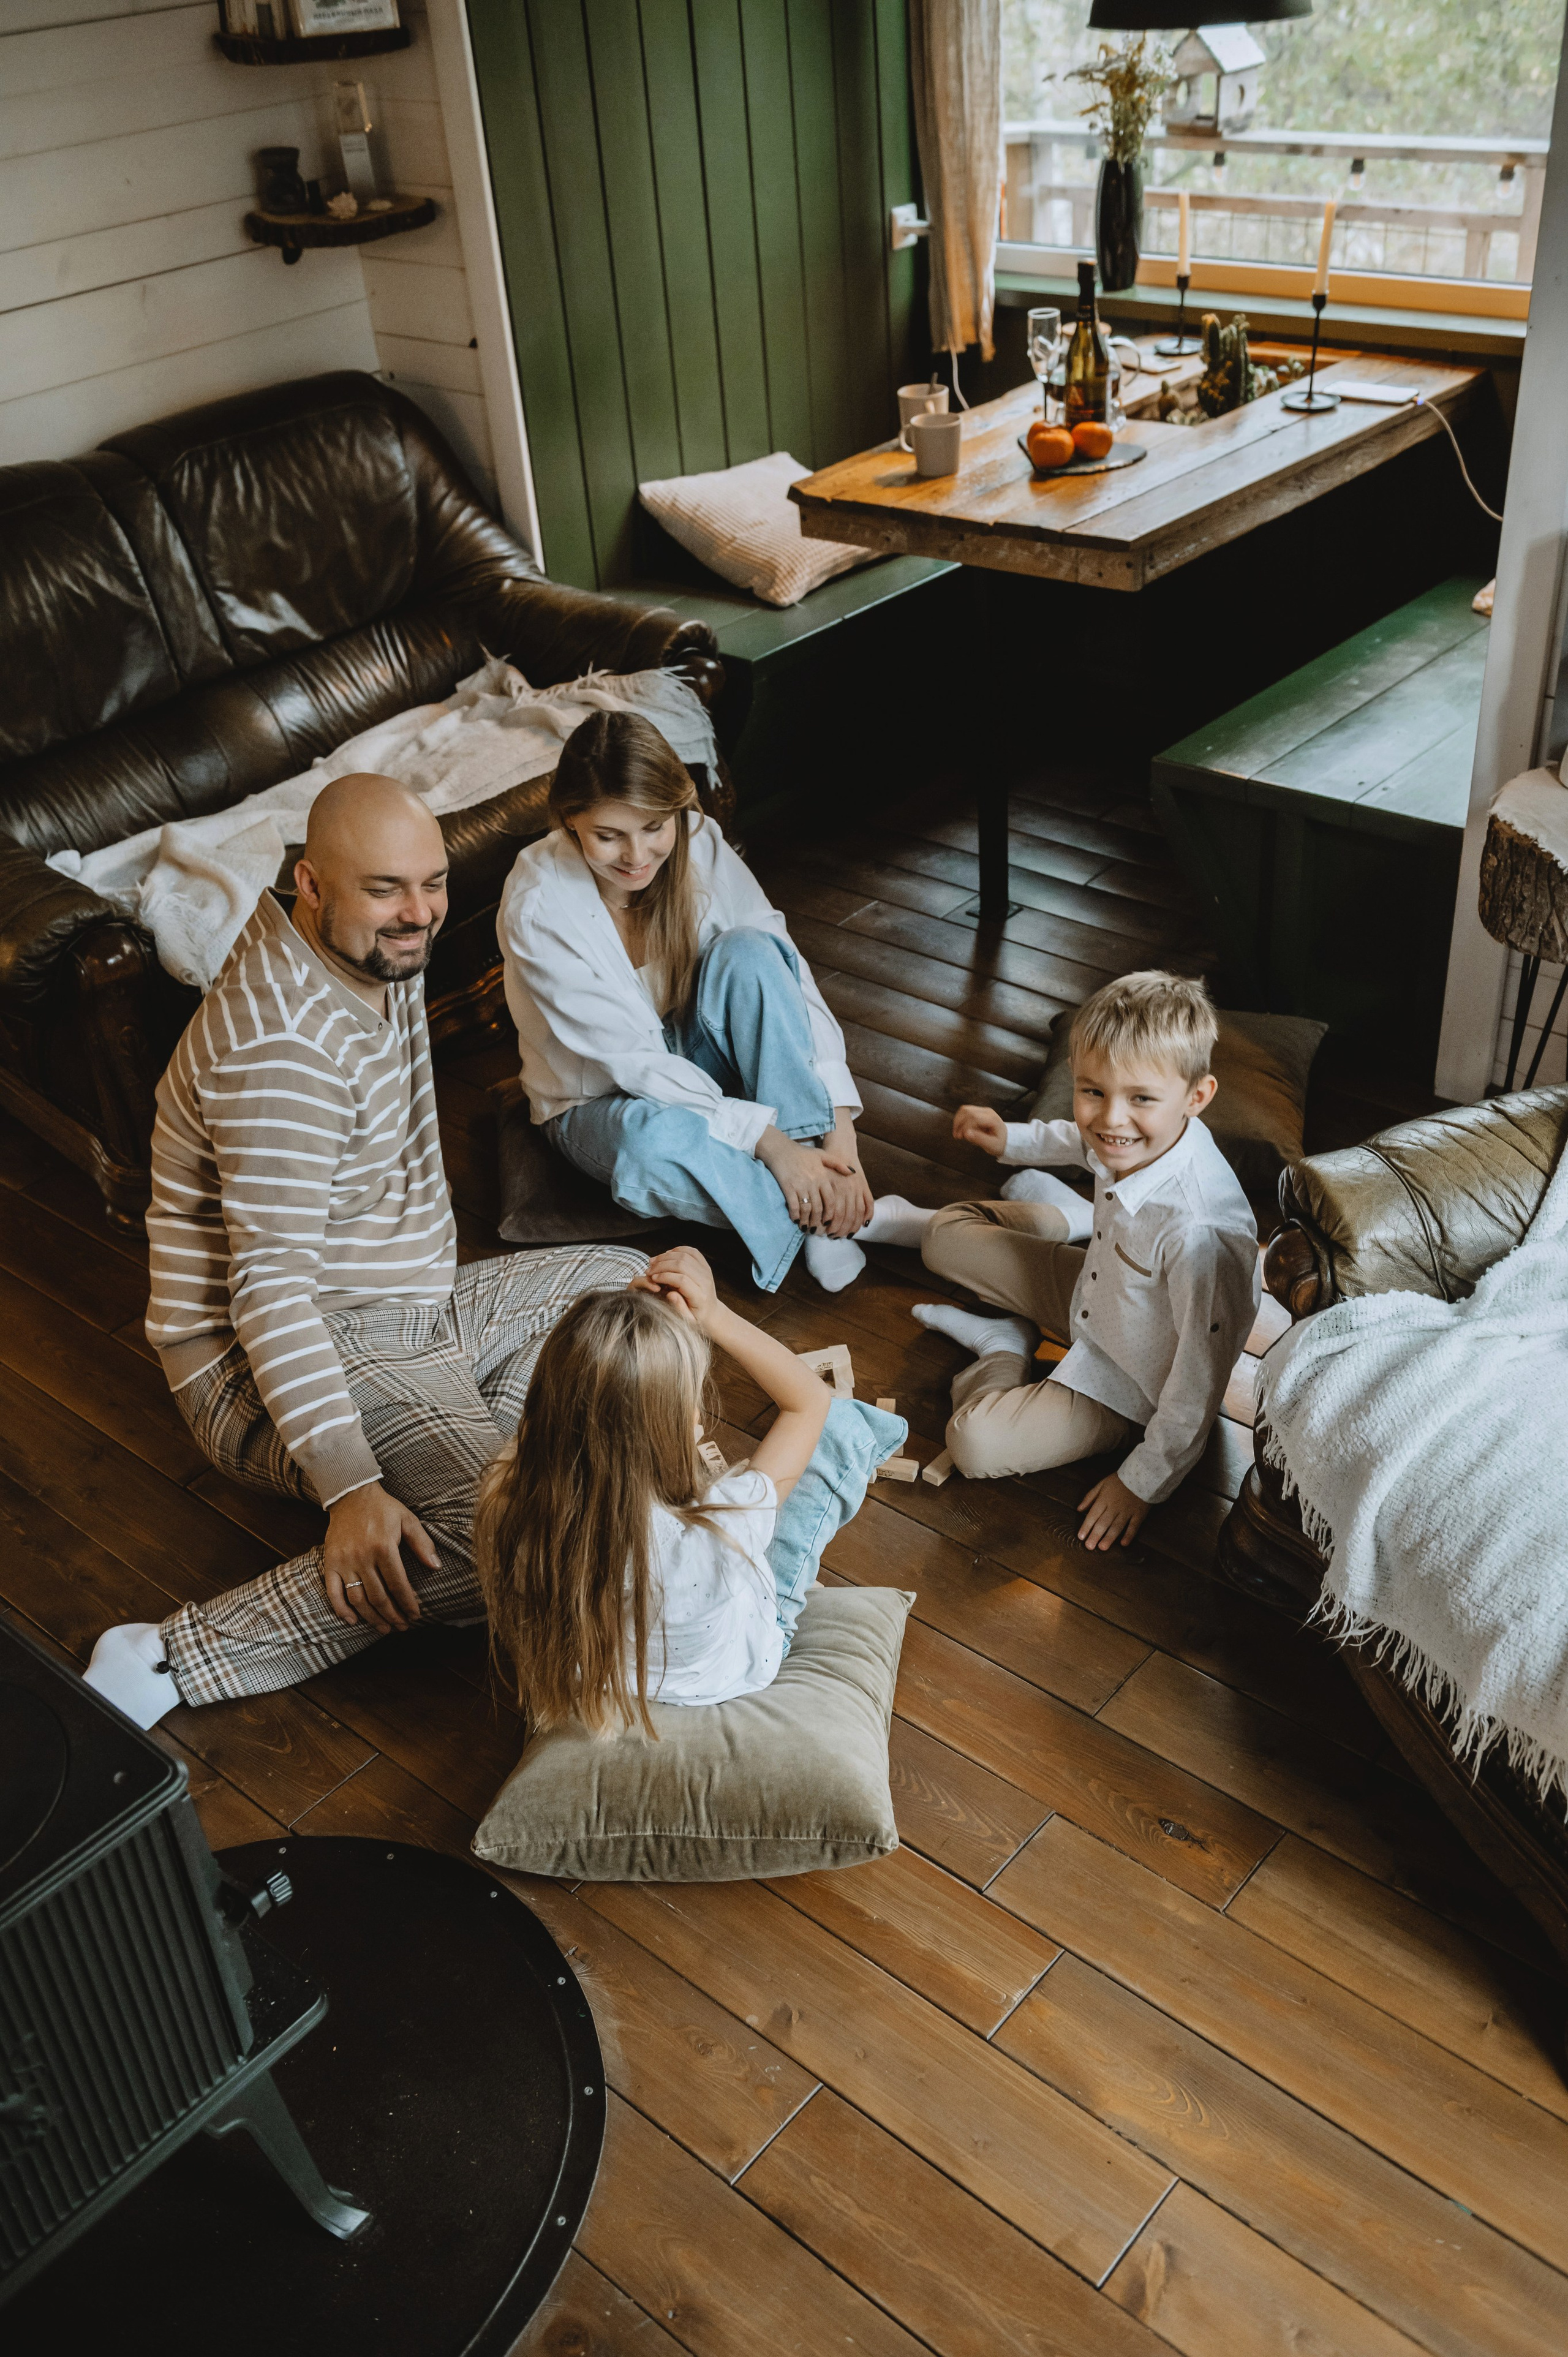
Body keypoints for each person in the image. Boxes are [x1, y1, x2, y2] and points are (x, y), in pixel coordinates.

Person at [83, 772, 648, 1726]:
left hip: (406, 1312)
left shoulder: (367, 952)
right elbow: (269, 1292)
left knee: (633, 1293)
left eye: (430, 883)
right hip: (274, 1358)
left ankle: (481, 1468)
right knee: (525, 1550)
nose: (419, 914)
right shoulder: (282, 1054)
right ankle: (173, 1659)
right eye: (387, 887)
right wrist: (349, 1484)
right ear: (311, 884)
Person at [496, 709, 925, 1295]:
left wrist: (840, 1139)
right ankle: (846, 1219)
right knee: (649, 1147)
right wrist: (770, 1146)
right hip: (597, 1096)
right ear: (570, 821)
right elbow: (634, 1063)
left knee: (752, 951)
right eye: (608, 835)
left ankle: (825, 1184)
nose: (636, 856)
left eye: (653, 827)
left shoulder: (700, 843)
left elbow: (787, 977)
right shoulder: (539, 902)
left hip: (693, 1052)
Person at [888, 971, 1259, 1550]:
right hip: (1095, 1288)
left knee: (973, 1445)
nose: (1111, 1119)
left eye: (1140, 1099)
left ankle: (1005, 1346)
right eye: (1092, 1091)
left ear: (1197, 1097)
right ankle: (1073, 1216)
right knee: (944, 1234)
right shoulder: (1131, 1133)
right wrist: (1012, 1139)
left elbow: (1199, 1379)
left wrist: (1142, 1483)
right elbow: (1081, 1138)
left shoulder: (1199, 1234)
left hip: (1130, 1381)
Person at [475, 1245, 903, 1725]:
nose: (699, 1416)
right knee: (843, 1426)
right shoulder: (721, 1528)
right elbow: (809, 1403)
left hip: (610, 1672)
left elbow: (567, 1419)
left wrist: (630, 1328)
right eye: (689, 1404)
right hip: (734, 1668)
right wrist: (714, 1315)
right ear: (669, 1430)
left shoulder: (506, 1494)